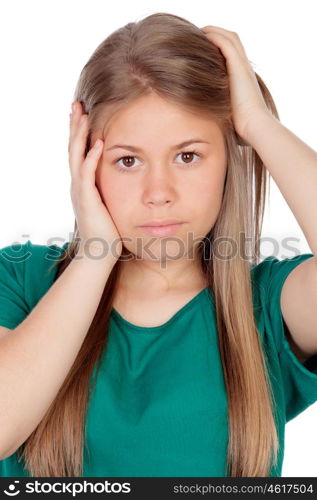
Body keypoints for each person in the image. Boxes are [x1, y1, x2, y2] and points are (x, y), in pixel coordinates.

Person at [0, 12, 317, 478]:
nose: (158, 191)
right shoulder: (22, 279)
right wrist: (95, 255)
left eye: (187, 156)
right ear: (85, 162)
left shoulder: (267, 306)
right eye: (128, 160)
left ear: (229, 159)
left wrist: (255, 123)